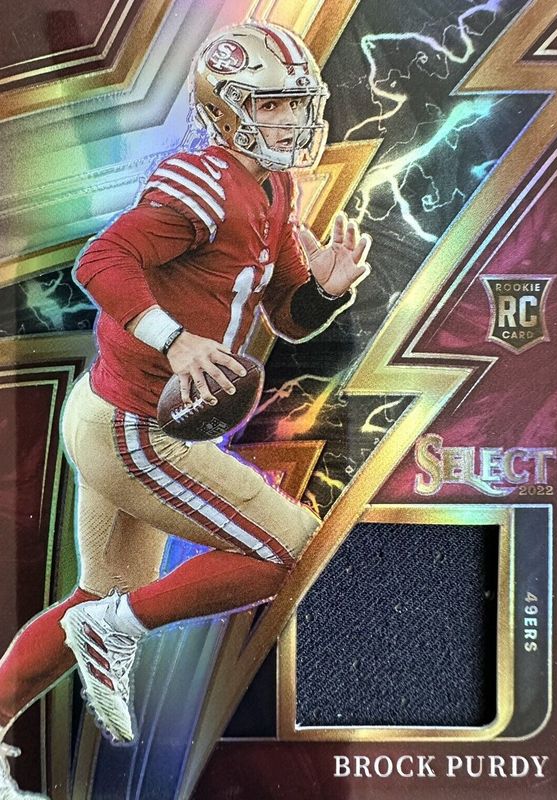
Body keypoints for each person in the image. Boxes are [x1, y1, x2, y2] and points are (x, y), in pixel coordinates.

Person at [0, 21, 371, 798]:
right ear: (227, 109)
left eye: (295, 102)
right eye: (270, 104)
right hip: (137, 428)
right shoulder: (200, 184)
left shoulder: (275, 185)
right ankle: (114, 629)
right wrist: (173, 341)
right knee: (293, 552)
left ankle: (84, 639)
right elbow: (101, 259)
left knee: (96, 593)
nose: (289, 119)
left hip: (115, 415)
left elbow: (287, 315)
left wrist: (326, 290)